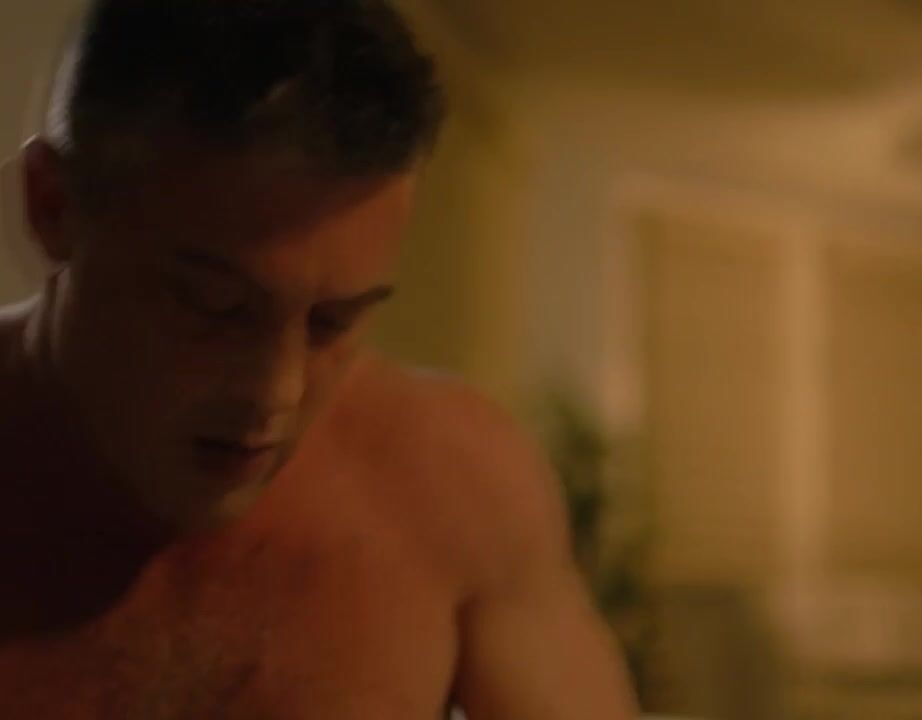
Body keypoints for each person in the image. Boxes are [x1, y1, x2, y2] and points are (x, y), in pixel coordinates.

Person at [0, 0, 639, 717]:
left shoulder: (455, 484)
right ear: (51, 206)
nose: (274, 391)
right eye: (214, 306)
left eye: (334, 323)